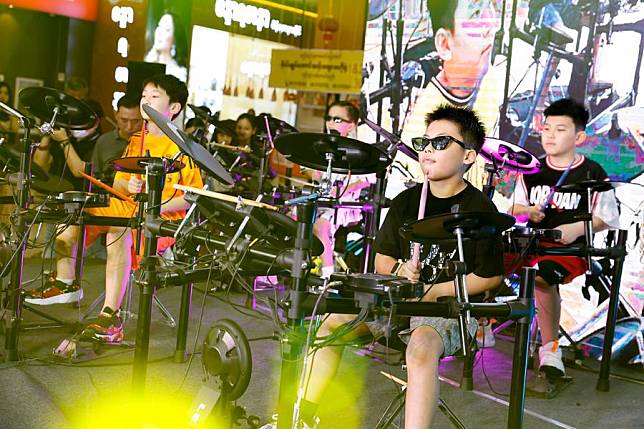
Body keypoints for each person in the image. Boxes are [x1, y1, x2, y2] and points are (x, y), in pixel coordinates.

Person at [288, 105, 504, 428]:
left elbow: (489, 276)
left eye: (442, 143)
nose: (429, 149)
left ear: (469, 157)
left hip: (449, 313)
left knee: (421, 347)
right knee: (330, 324)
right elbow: (382, 258)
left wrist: (434, 293)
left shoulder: (480, 208)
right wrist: (400, 270)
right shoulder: (407, 201)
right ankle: (300, 419)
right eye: (425, 143)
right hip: (397, 304)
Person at [25, 74, 204, 344]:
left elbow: (191, 197)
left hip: (161, 220)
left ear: (174, 108)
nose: (146, 101)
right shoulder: (137, 140)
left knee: (117, 233)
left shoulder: (182, 146)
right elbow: (119, 183)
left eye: (154, 96)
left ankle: (111, 317)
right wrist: (127, 185)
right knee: (74, 213)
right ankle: (65, 282)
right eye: (144, 95)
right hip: (128, 208)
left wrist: (155, 206)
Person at [507, 98, 619, 380]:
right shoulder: (531, 170)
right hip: (530, 244)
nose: (550, 135)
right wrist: (526, 212)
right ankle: (480, 327)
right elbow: (514, 208)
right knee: (484, 257)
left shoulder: (592, 172)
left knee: (542, 276)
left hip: (570, 250)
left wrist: (580, 227)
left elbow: (606, 217)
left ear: (579, 136)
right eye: (546, 129)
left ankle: (550, 348)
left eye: (560, 129)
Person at [389, 0, 504, 196]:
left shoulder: (490, 83)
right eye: (475, 14)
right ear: (444, 43)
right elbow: (399, 188)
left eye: (491, 8)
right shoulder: (426, 111)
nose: (490, 25)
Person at [313, 101, 373, 277]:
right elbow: (318, 179)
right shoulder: (324, 147)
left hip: (346, 205)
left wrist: (341, 191)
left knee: (320, 226)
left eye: (337, 119)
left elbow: (367, 180)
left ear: (351, 125)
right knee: (291, 217)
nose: (331, 123)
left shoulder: (359, 150)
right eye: (329, 118)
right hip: (323, 201)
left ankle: (328, 275)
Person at [91, 93, 143, 186]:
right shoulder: (104, 141)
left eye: (135, 121)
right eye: (124, 120)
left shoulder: (149, 141)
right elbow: (94, 176)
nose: (129, 127)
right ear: (115, 115)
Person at [145, 12, 188, 82]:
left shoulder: (179, 74)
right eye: (159, 26)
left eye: (167, 29)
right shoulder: (147, 60)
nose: (160, 32)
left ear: (174, 38)